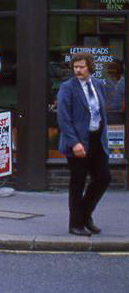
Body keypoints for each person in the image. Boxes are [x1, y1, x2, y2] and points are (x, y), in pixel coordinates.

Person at [56, 52, 111, 236]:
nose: (78, 70)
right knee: (77, 183)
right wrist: (74, 143)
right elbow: (63, 118)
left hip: (96, 140)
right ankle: (75, 224)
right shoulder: (67, 87)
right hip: (78, 142)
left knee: (103, 178)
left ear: (90, 67)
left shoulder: (98, 85)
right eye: (75, 67)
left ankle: (85, 215)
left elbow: (101, 113)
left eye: (81, 67)